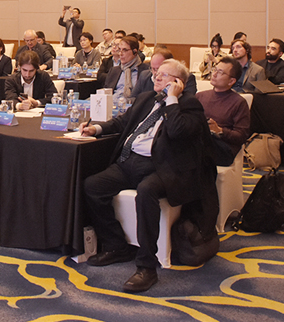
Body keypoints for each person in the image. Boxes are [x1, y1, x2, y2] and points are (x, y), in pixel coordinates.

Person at [81, 59, 217, 293]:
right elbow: (123, 122)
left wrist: (172, 99)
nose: (156, 77)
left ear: (178, 82)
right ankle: (116, 245)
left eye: (164, 75)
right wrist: (97, 129)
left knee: (146, 192)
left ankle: (146, 266)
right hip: (130, 161)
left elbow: (177, 131)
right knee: (92, 186)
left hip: (163, 167)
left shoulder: (190, 105)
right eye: (156, 73)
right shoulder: (146, 99)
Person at [196, 57, 250, 166]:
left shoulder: (239, 102)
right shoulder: (200, 96)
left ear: (231, 81)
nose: (214, 74)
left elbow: (242, 136)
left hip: (222, 148)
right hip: (199, 140)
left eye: (220, 72)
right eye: (215, 69)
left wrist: (219, 130)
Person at [131, 48, 196, 99]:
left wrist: (172, 96)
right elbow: (133, 98)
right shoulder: (144, 75)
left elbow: (188, 101)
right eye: (153, 69)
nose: (156, 74)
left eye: (158, 69)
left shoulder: (184, 77)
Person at [104, 36, 150, 101]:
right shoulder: (114, 71)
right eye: (119, 50)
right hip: (113, 103)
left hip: (133, 104)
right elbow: (106, 92)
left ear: (135, 52)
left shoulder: (146, 71)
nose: (120, 53)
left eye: (124, 50)